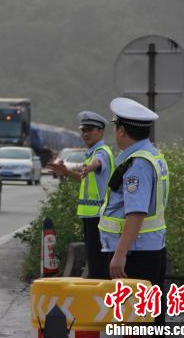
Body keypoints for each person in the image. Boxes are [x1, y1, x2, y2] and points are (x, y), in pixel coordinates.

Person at [99, 97, 169, 326]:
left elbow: (136, 213)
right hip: (151, 247)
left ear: (121, 131)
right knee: (150, 317)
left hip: (134, 253)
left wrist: (119, 254)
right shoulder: (153, 155)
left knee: (135, 320)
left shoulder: (137, 164)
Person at [47, 111, 114, 278]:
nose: (86, 134)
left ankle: (101, 299)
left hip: (99, 217)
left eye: (90, 130)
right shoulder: (91, 152)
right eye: (84, 130)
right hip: (89, 215)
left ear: (100, 131)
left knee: (98, 263)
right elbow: (84, 177)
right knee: (93, 260)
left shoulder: (102, 151)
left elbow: (98, 162)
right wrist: (67, 172)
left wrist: (90, 166)